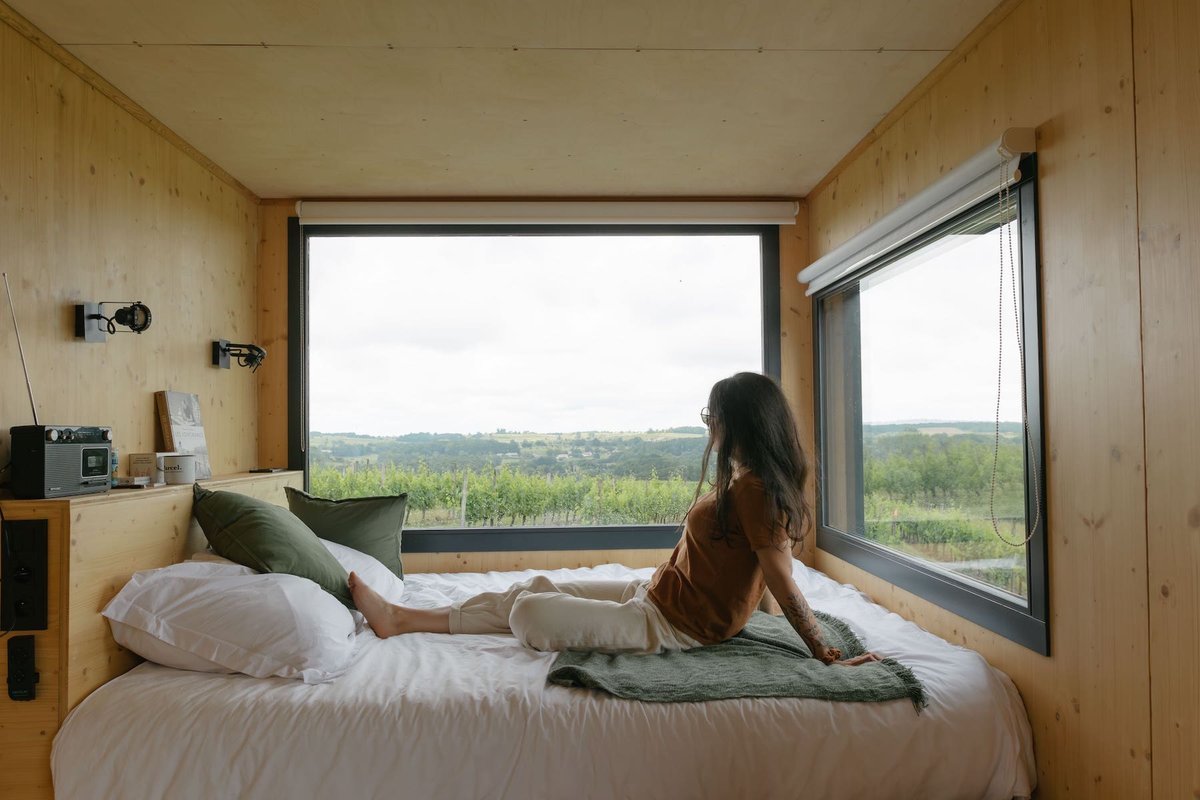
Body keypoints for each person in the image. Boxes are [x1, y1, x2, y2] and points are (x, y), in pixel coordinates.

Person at [350, 372, 880, 666]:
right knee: (532, 586)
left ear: (735, 421)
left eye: (709, 416)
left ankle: (404, 619)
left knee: (531, 610)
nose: (706, 426)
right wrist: (756, 616)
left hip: (672, 626)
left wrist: (821, 650)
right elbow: (763, 570)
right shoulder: (751, 481)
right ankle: (401, 619)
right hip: (653, 597)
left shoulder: (757, 490)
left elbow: (778, 573)